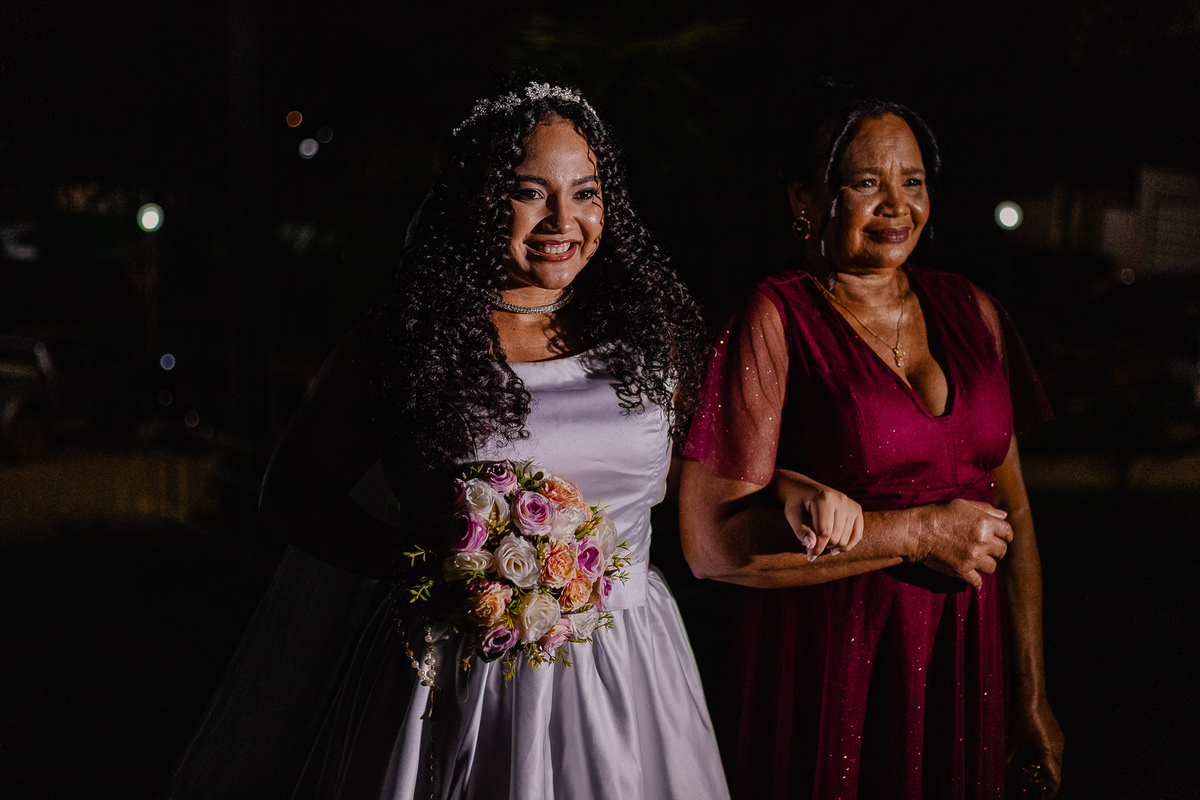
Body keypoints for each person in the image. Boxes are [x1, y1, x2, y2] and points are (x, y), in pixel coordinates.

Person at [162, 80, 729, 799]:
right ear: (479, 199)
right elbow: (291, 497)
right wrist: (438, 564)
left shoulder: (650, 339)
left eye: (586, 193)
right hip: (463, 677)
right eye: (531, 192)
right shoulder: (411, 342)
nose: (564, 220)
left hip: (629, 669)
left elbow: (696, 481)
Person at [679, 88, 1064, 799]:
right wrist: (915, 532)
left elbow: (1019, 517)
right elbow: (710, 545)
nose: (896, 206)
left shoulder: (973, 310)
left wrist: (1030, 693)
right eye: (865, 183)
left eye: (912, 183)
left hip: (962, 659)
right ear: (804, 198)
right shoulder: (776, 318)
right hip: (832, 664)